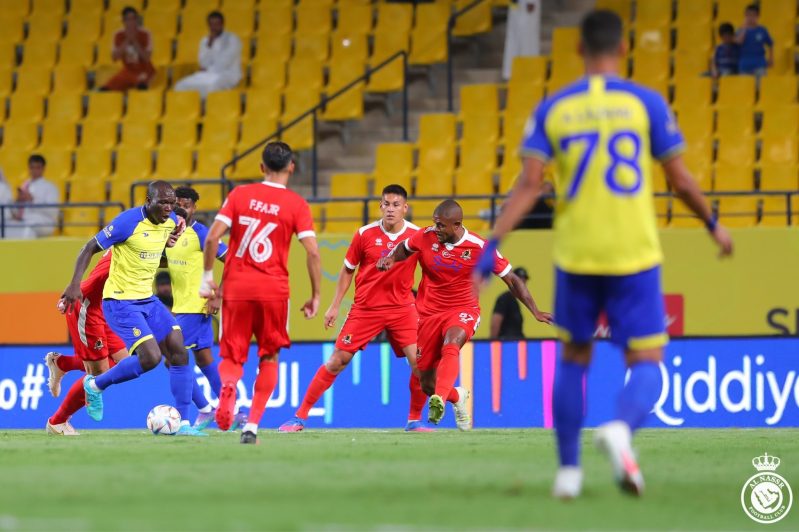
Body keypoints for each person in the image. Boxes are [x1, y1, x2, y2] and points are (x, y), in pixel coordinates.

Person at [475, 10, 733, 499]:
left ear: (577, 50)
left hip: (576, 253)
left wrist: (491, 248)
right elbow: (679, 180)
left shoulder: (554, 107)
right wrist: (713, 224)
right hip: (633, 252)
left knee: (573, 357)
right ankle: (621, 428)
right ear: (623, 48)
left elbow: (530, 184)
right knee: (648, 358)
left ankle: (568, 473)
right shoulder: (646, 104)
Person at [378, 200, 551, 429]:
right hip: (429, 313)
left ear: (457, 224)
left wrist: (535, 310)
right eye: (434, 223)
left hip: (463, 309)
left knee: (452, 342)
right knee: (426, 382)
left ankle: (438, 399)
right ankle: (456, 397)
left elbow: (511, 279)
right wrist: (391, 257)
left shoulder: (479, 247)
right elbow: (405, 248)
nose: (435, 229)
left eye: (441, 225)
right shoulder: (426, 236)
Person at [60, 181, 208, 437]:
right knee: (150, 358)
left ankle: (183, 423)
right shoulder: (127, 222)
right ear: (147, 200)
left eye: (171, 203)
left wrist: (175, 232)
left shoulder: (171, 219)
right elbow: (88, 248)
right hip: (120, 301)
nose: (168, 208)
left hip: (147, 299)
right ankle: (94, 385)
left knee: (178, 351)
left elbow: (168, 234)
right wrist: (74, 285)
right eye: (162, 202)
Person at [200, 142, 321, 444]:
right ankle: (252, 425)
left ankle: (228, 386)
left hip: (238, 288)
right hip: (274, 290)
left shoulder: (240, 194)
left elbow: (213, 237)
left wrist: (208, 278)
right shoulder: (296, 204)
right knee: (269, 355)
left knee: (232, 354)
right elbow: (313, 253)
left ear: (261, 168)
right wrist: (316, 294)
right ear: (291, 167)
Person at [278, 184, 425, 433]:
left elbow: (430, 270)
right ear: (380, 206)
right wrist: (334, 306)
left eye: (396, 205)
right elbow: (348, 269)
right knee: (337, 361)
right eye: (386, 204)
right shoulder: (364, 234)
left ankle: (414, 420)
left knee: (421, 365)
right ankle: (299, 417)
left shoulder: (416, 236)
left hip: (402, 309)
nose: (390, 209)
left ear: (405, 208)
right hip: (366, 309)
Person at [165, 186, 246, 430]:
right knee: (204, 359)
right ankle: (235, 410)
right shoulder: (168, 234)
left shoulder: (201, 233)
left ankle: (202, 409)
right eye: (177, 204)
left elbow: (232, 260)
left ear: (194, 208)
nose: (181, 209)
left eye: (186, 204)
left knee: (171, 357)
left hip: (196, 305)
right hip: (184, 307)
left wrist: (218, 295)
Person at [44, 250, 129, 435]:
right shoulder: (135, 235)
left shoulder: (144, 238)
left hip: (103, 306)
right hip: (87, 306)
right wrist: (73, 292)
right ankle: (57, 422)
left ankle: (63, 363)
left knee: (124, 364)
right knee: (100, 376)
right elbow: (89, 249)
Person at [174, 11, 242, 98]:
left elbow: (224, 63)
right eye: (211, 24)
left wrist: (207, 69)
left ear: (222, 24)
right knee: (180, 85)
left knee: (212, 87)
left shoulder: (232, 39)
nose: (214, 27)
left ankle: (206, 110)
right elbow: (203, 63)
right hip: (207, 74)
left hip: (228, 74)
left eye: (216, 24)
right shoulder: (205, 41)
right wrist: (209, 45)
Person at [5, 154, 60, 239]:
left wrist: (32, 199)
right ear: (29, 168)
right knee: (4, 227)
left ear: (43, 169)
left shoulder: (50, 187)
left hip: (43, 222)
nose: (34, 170)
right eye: (32, 167)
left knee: (27, 230)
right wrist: (17, 201)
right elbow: (17, 210)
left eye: (38, 167)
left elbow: (53, 211)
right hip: (23, 220)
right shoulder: (25, 185)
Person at [102, 6, 155, 91]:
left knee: (141, 87)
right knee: (105, 89)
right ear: (123, 21)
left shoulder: (145, 33)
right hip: (127, 70)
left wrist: (134, 41)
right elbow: (115, 57)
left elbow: (146, 58)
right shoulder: (118, 34)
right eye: (128, 19)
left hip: (144, 69)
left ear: (137, 19)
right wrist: (127, 40)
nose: (132, 22)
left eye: (134, 18)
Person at [502, 0, 541, 80]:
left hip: (527, 5)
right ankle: (510, 73)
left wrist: (531, 2)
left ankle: (528, 72)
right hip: (514, 5)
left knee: (528, 39)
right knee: (513, 39)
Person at [491, 267, 531, 340]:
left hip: (516, 344)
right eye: (519, 280)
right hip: (507, 344)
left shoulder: (515, 301)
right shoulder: (505, 298)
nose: (522, 283)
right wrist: (492, 343)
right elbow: (495, 322)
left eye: (524, 281)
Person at [735, 4, 773, 77]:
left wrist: (771, 58)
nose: (750, 18)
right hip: (744, 64)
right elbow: (739, 42)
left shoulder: (762, 30)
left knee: (760, 87)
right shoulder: (740, 30)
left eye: (753, 15)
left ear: (758, 16)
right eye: (748, 15)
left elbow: (770, 44)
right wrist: (744, 28)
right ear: (745, 15)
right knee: (745, 87)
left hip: (759, 64)